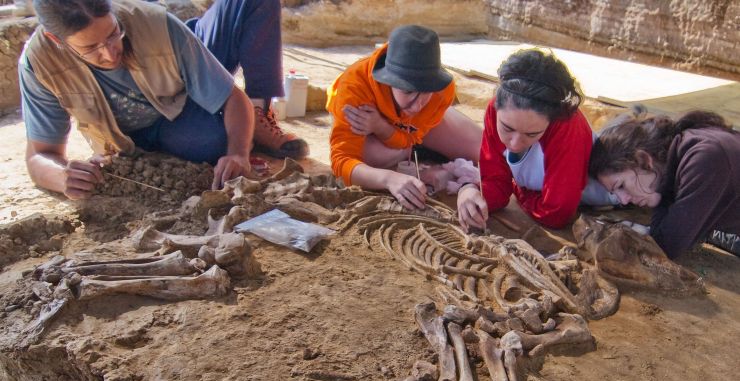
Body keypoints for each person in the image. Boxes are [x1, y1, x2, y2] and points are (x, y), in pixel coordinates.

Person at [20, 0, 309, 200]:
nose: (110, 54)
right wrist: (62, 176)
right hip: (131, 136)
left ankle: (257, 115)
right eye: (91, 48)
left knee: (222, 142)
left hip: (180, 94)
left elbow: (233, 99)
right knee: (207, 144)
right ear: (56, 40)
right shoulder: (39, 64)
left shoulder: (153, 23)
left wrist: (238, 153)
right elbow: (39, 157)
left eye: (113, 35)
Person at [457, 48, 616, 232]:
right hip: (543, 191)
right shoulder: (494, 110)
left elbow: (557, 213)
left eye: (532, 134)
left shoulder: (567, 125)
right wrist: (469, 190)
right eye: (507, 128)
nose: (514, 144)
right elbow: (497, 184)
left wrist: (519, 190)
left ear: (552, 119)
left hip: (610, 195)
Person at [326, 24, 483, 211]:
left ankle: (414, 157)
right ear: (387, 80)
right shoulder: (355, 89)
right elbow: (341, 162)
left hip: (393, 131)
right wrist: (389, 179)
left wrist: (382, 127)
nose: (417, 105)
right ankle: (411, 161)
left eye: (426, 91)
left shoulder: (441, 91)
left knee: (482, 149)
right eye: (408, 91)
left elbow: (410, 138)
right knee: (371, 162)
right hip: (370, 133)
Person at [589, 110, 740, 258]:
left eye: (621, 186)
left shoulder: (704, 159)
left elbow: (666, 246)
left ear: (643, 160)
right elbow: (659, 231)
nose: (623, 200)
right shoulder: (675, 157)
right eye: (614, 193)